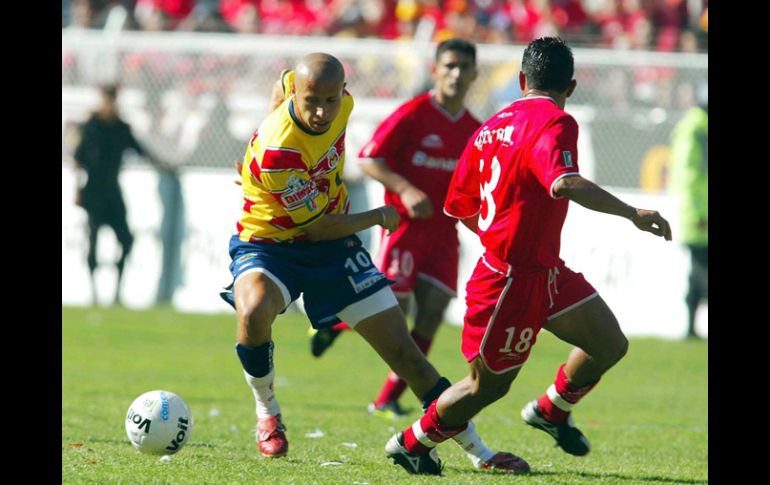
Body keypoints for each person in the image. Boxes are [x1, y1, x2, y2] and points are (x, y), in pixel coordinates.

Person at [219, 53, 528, 474]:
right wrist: (380, 216)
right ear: (299, 94)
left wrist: (253, 142)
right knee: (254, 309)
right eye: (312, 101)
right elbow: (317, 227)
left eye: (330, 100)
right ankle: (267, 411)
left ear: (342, 92)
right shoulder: (279, 150)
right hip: (272, 241)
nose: (322, 111)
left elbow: (282, 81)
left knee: (407, 355)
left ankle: (480, 453)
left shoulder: (339, 102)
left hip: (333, 249)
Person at [385, 37, 672, 474]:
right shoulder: (556, 121)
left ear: (522, 80)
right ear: (570, 87)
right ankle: (410, 442)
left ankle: (551, 409)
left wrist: (501, 233)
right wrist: (632, 212)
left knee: (608, 343)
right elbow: (564, 182)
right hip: (510, 281)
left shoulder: (488, 126)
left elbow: (459, 207)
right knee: (486, 388)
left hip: (543, 271)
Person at [308, 39, 482, 420]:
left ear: (474, 74)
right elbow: (370, 158)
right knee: (394, 311)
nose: (455, 74)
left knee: (433, 312)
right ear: (435, 70)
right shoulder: (413, 114)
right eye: (449, 66)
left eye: (463, 67)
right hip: (405, 229)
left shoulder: (474, 128)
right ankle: (337, 325)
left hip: (443, 234)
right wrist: (404, 188)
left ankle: (387, 396)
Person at [73, 83, 168, 306]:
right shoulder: (91, 127)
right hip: (93, 190)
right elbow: (78, 158)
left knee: (126, 239)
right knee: (93, 238)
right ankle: (93, 292)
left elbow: (140, 150)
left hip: (113, 190)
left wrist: (164, 165)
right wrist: (77, 189)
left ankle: (116, 292)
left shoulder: (121, 128)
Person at [668, 87, 707, 339]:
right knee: (701, 271)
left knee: (699, 272)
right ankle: (691, 327)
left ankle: (691, 327)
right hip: (700, 215)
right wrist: (697, 213)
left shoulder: (698, 125)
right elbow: (687, 176)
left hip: (700, 211)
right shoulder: (695, 127)